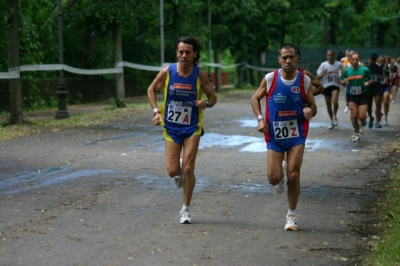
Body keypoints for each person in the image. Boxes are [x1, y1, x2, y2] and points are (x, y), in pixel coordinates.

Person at [147, 36, 217, 224]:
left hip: (192, 127)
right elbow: (151, 89)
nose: (184, 55)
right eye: (181, 52)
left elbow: (212, 97)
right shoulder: (167, 72)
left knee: (188, 168)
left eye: (188, 52)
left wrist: (206, 103)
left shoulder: (200, 74)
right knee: (172, 171)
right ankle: (177, 170)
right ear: (177, 54)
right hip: (171, 127)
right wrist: (155, 111)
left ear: (195, 54)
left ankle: (185, 209)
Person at [250, 43, 317, 231]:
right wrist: (260, 119)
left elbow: (313, 106)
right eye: (284, 58)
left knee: (294, 174)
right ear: (279, 59)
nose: (288, 61)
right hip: (274, 134)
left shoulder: (304, 81)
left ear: (297, 59)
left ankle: (291, 216)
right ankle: (279, 177)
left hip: (297, 133)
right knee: (273, 177)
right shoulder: (270, 79)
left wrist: (309, 111)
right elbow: (255, 98)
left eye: (291, 57)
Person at [340, 51, 373, 142]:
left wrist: (368, 82)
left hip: (362, 94)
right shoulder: (347, 70)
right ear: (350, 60)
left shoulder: (364, 70)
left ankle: (363, 120)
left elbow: (371, 79)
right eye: (353, 59)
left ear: (359, 60)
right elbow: (342, 80)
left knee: (361, 116)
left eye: (356, 59)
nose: (354, 61)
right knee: (354, 115)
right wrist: (344, 81)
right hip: (351, 95)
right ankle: (357, 133)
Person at [316, 50, 343, 129]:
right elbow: (317, 77)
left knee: (335, 101)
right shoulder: (323, 65)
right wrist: (323, 74)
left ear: (334, 56)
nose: (330, 57)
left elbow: (345, 71)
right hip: (326, 86)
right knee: (328, 105)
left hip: (335, 85)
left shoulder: (339, 64)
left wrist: (341, 79)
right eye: (328, 55)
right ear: (326, 56)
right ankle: (332, 120)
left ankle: (335, 116)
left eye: (331, 55)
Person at [366, 53, 383, 128]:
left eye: (374, 59)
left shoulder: (379, 68)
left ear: (376, 59)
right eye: (371, 59)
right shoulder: (366, 68)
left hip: (377, 88)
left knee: (378, 103)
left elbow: (382, 77)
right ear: (369, 59)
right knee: (369, 106)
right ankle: (371, 118)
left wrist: (381, 77)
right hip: (369, 88)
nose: (373, 60)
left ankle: (377, 121)